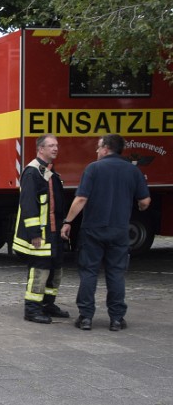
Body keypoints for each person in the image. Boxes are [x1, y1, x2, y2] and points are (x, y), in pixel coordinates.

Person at [61, 133, 151, 331]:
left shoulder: (93, 168)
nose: (96, 150)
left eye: (98, 147)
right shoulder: (132, 170)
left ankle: (85, 317)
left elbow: (81, 199)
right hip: (119, 230)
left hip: (93, 229)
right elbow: (145, 201)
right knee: (116, 274)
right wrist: (137, 208)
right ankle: (117, 319)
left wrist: (68, 221)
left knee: (89, 272)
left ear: (106, 148)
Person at [13, 134, 70, 324]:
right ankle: (32, 309)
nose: (55, 148)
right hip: (42, 234)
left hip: (54, 232)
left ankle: (48, 304)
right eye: (51, 145)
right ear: (41, 149)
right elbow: (28, 205)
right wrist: (35, 234)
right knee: (40, 270)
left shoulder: (50, 172)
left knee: (55, 269)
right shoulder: (32, 173)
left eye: (57, 145)